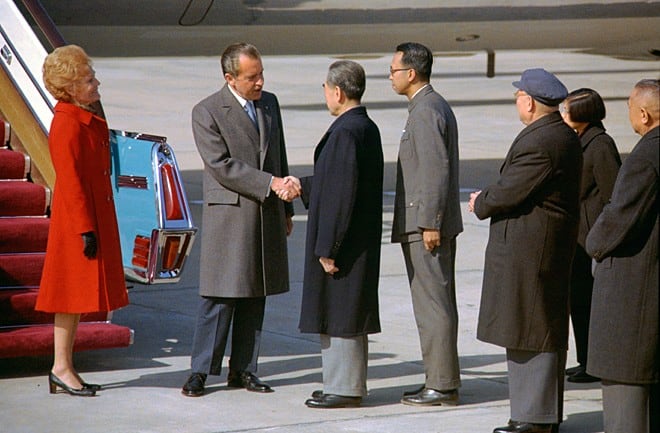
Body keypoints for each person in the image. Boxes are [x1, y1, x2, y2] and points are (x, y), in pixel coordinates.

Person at [181, 42, 300, 397]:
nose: (260, 82)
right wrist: (270, 184)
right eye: (252, 77)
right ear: (230, 78)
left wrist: (286, 208)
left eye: (261, 74)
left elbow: (278, 155)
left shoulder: (269, 103)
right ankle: (201, 370)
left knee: (255, 292)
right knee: (220, 295)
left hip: (265, 211)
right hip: (231, 214)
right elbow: (221, 165)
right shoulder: (207, 112)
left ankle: (244, 369)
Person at [468, 68, 582, 433]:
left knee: (533, 329)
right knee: (529, 327)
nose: (517, 99)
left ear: (529, 102)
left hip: (533, 252)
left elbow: (511, 189)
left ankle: (535, 418)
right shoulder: (555, 134)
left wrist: (481, 201)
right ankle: (535, 414)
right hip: (534, 248)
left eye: (519, 95)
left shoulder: (543, 141)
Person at [36, 44, 129, 397]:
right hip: (77, 221)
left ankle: (64, 366)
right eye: (89, 80)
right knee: (68, 296)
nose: (96, 84)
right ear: (71, 87)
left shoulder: (81, 117)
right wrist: (84, 229)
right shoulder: (66, 123)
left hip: (88, 216)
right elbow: (70, 180)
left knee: (73, 298)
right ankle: (61, 367)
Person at [296, 60, 384, 409]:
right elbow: (334, 184)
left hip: (346, 244)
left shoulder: (346, 132)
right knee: (341, 312)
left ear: (337, 91)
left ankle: (346, 388)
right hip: (356, 239)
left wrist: (328, 248)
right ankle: (340, 382)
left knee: (342, 314)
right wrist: (302, 186)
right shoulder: (364, 127)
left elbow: (341, 195)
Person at [389, 42, 463, 406]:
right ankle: (439, 378)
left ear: (411, 73)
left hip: (426, 227)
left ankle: (442, 384)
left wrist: (430, 222)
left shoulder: (425, 111)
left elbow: (436, 170)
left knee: (433, 304)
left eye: (393, 71)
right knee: (434, 303)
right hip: (425, 223)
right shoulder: (427, 107)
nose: (391, 77)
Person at [585, 79, 659, 433]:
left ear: (643, 115)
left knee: (625, 408)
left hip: (634, 294)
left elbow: (620, 214)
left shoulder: (645, 156)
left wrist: (594, 244)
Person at [559, 88, 621, 384]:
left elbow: (614, 196)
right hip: (577, 239)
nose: (562, 113)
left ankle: (593, 364)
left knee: (588, 304)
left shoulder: (600, 146)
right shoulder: (580, 140)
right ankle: (586, 359)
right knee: (578, 303)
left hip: (590, 238)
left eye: (567, 109)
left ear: (582, 114)